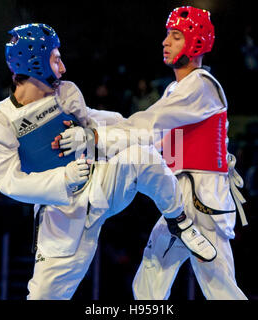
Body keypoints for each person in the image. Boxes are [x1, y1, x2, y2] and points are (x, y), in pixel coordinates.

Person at [0, 23, 215, 300]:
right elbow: (8, 181)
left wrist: (99, 134)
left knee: (141, 156)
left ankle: (179, 220)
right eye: (56, 58)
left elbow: (98, 120)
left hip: (101, 185)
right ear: (35, 62)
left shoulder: (66, 92)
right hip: (61, 215)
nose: (62, 67)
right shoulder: (2, 119)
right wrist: (64, 179)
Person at [57, 6, 248, 299]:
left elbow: (149, 126)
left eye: (175, 36)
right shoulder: (178, 89)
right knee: (149, 285)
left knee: (219, 290)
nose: (165, 42)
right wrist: (87, 117)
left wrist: (92, 137)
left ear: (196, 42)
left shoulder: (201, 85)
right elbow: (137, 125)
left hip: (203, 200)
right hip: (183, 196)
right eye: (166, 35)